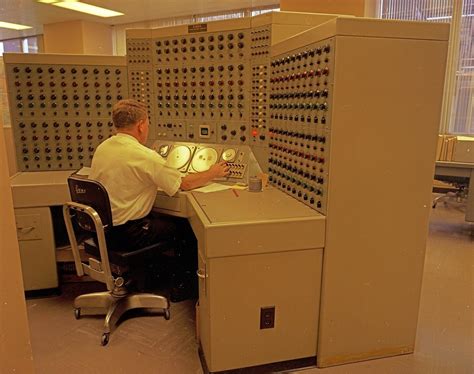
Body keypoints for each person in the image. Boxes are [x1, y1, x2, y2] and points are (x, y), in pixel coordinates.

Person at [89, 99, 229, 301]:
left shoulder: (104, 147)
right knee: (185, 229)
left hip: (104, 230)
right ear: (141, 125)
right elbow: (185, 184)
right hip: (128, 234)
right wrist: (213, 172)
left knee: (159, 220)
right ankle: (183, 289)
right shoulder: (144, 155)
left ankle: (151, 278)